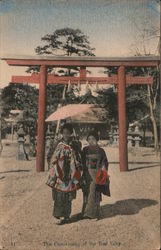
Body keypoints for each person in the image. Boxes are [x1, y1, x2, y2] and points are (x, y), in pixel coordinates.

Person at [46, 123, 81, 225]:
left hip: (70, 172)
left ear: (71, 133)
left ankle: (66, 216)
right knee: (59, 194)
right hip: (59, 172)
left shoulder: (74, 144)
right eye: (64, 133)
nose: (66, 135)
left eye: (68, 133)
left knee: (68, 195)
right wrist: (54, 165)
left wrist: (74, 150)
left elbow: (78, 156)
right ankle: (58, 214)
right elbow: (50, 157)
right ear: (62, 134)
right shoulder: (58, 144)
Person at [81, 130, 110, 219]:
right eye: (89, 139)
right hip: (87, 173)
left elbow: (104, 162)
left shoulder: (101, 151)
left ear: (97, 139)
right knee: (87, 192)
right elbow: (81, 162)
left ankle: (94, 213)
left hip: (97, 173)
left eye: (93, 139)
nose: (91, 141)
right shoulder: (85, 150)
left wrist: (103, 170)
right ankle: (85, 213)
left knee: (95, 192)